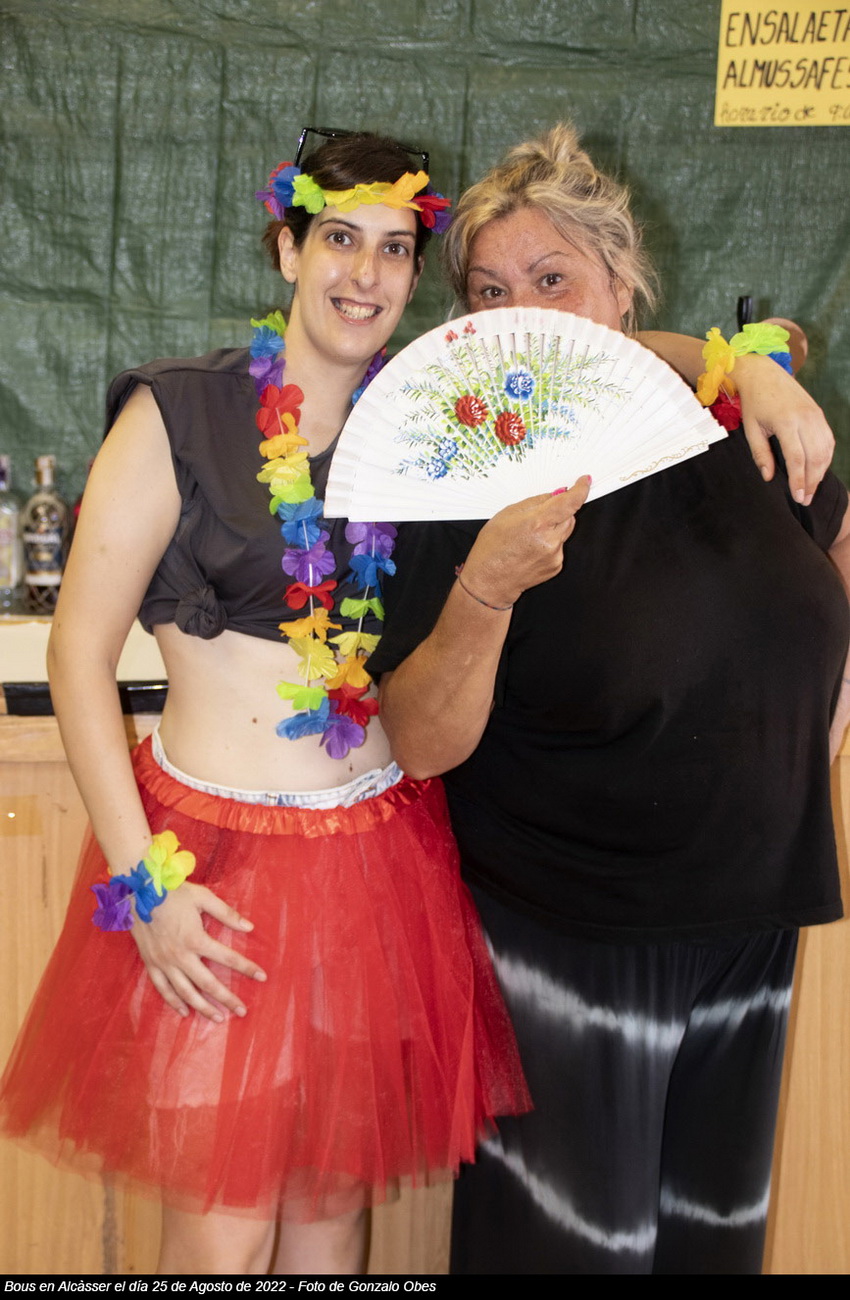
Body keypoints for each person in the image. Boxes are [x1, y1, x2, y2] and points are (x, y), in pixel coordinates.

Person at [0, 130, 533, 1276]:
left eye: (394, 248)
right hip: (211, 868)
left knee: (328, 1218)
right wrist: (143, 885)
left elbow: (590, 358)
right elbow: (78, 656)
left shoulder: (428, 428)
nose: (364, 274)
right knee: (223, 1227)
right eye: (339, 238)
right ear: (287, 249)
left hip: (374, 864)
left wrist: (751, 369)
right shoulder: (179, 413)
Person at [370, 123, 850, 1275]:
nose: (521, 314)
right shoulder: (460, 464)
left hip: (744, 928)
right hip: (566, 939)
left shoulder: (733, 420)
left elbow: (831, 540)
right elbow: (418, 741)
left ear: (620, 288)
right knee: (567, 1254)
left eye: (552, 280)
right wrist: (484, 588)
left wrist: (822, 720)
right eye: (490, 292)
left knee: (707, 1248)